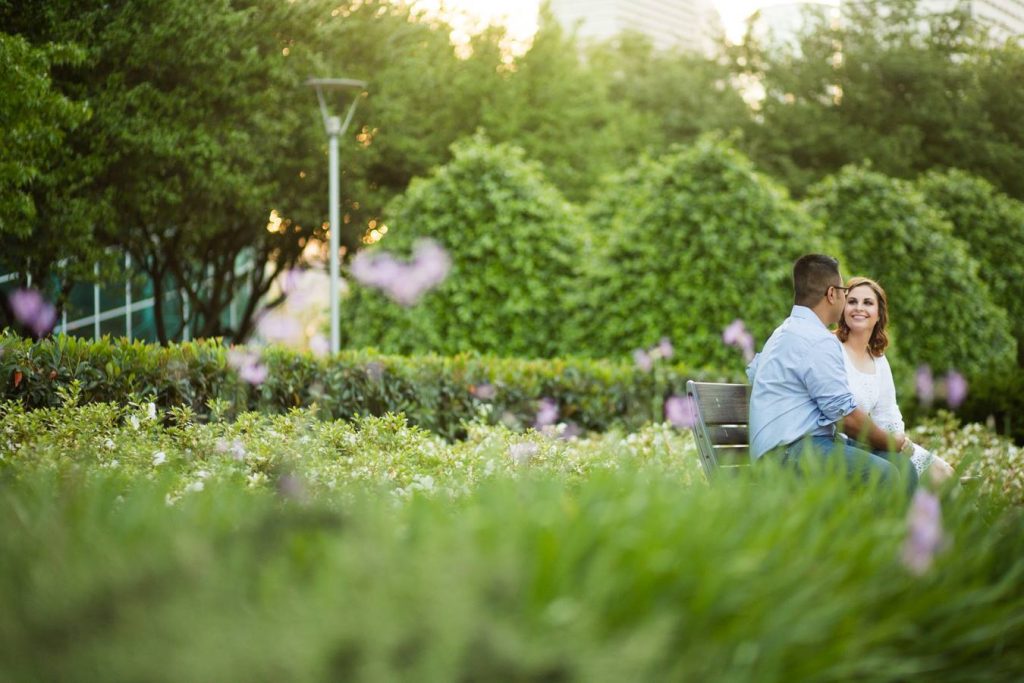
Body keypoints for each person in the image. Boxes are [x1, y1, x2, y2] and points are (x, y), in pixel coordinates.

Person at [747, 254, 917, 493]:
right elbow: (846, 418)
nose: (846, 297)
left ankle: (899, 532)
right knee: (885, 473)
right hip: (789, 452)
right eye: (844, 290)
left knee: (902, 466)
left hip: (802, 447)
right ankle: (874, 532)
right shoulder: (816, 340)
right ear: (831, 294)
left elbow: (754, 373)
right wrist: (892, 442)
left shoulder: (785, 331)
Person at [837, 276, 955, 486]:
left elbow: (887, 413)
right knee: (908, 472)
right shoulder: (830, 347)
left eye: (868, 302)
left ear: (878, 314)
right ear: (843, 308)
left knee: (944, 472)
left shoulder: (879, 360)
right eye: (852, 301)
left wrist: (903, 446)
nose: (859, 308)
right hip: (841, 442)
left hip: (875, 441)